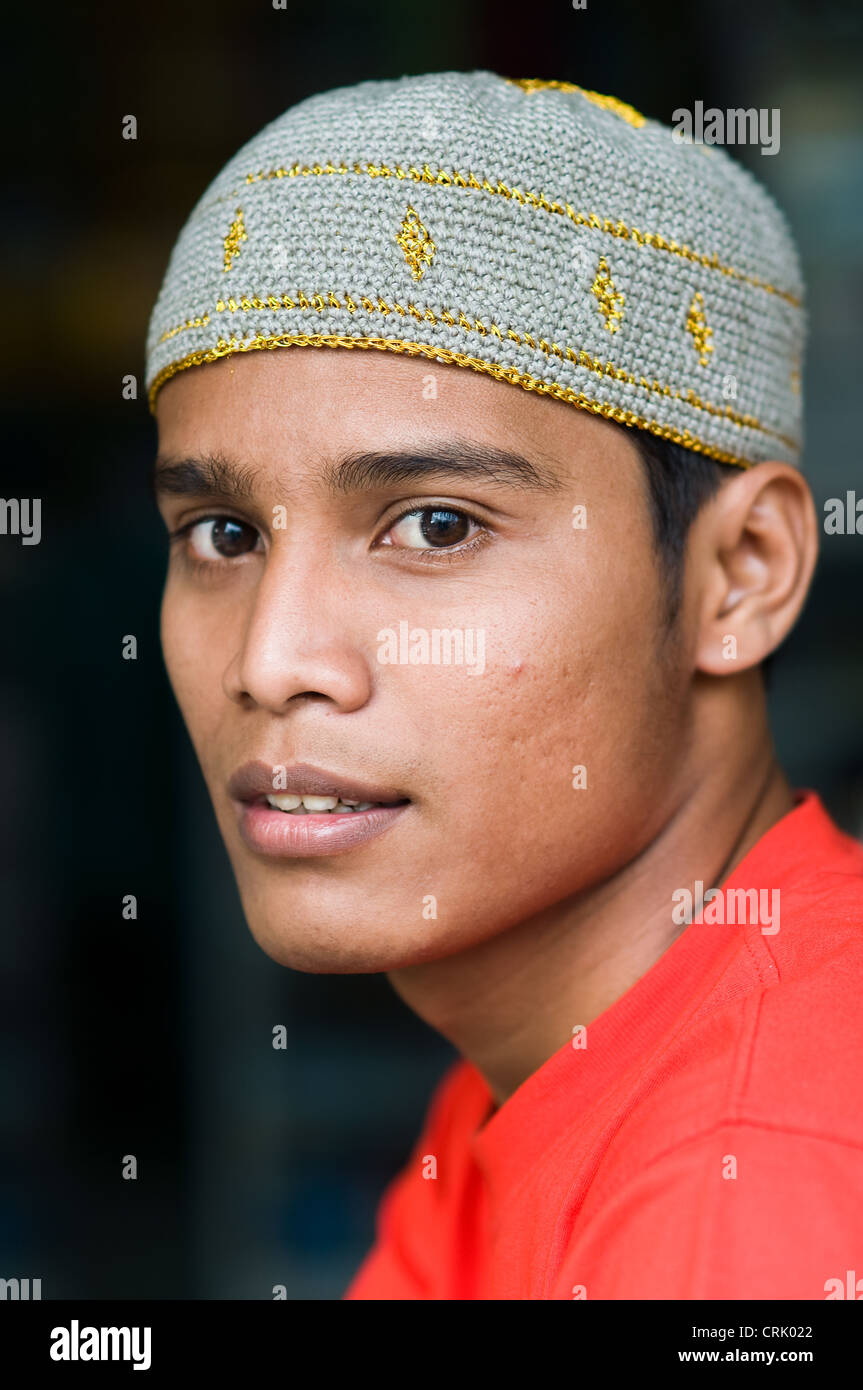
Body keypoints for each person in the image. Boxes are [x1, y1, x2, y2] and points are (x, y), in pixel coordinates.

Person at [145, 71, 863, 1299]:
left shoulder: (745, 1197)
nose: (270, 660)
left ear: (738, 573)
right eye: (224, 534)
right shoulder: (542, 1068)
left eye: (435, 526)